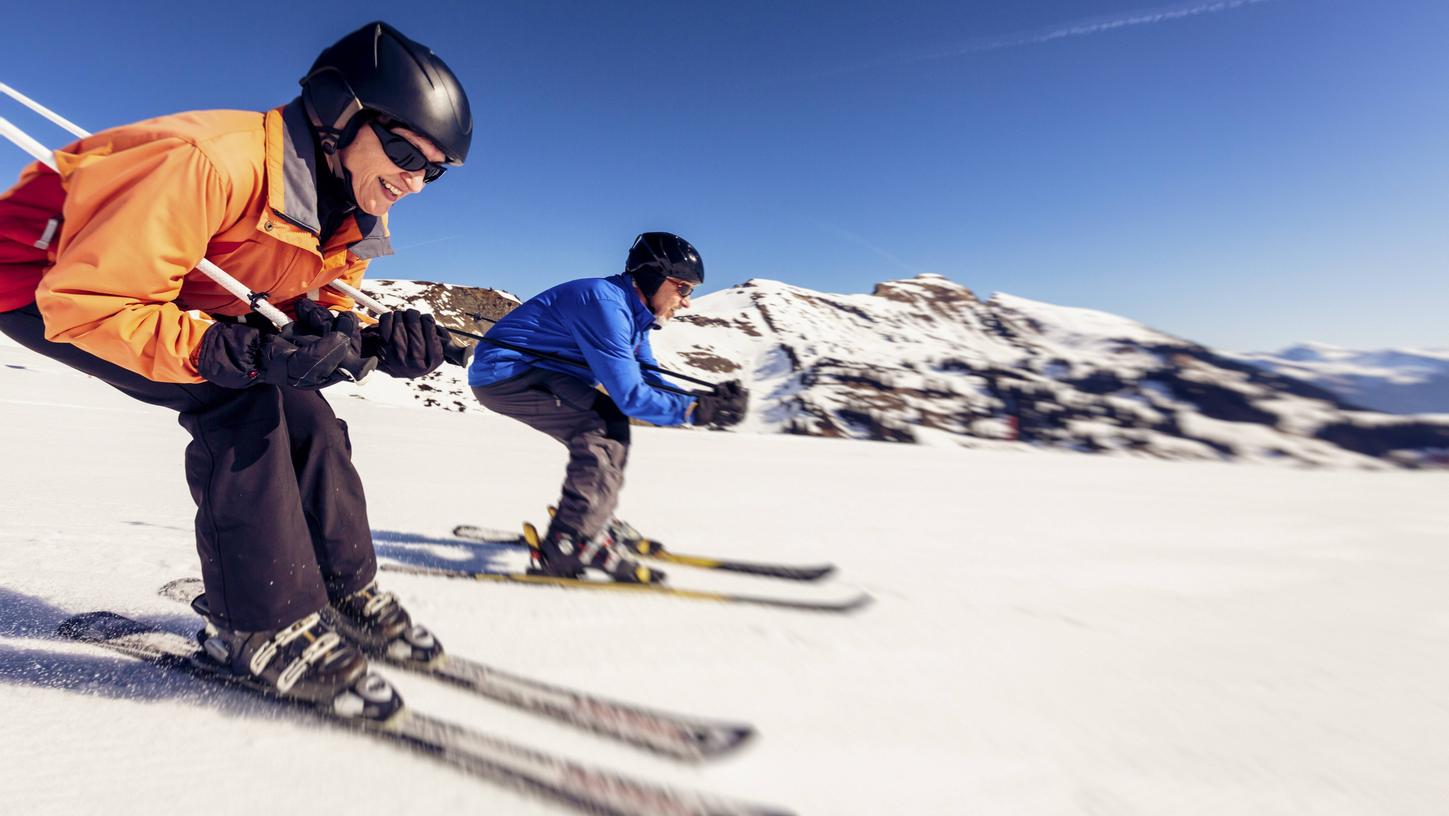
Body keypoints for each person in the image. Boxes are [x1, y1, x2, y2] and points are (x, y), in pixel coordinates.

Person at [0, 22, 470, 702]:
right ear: (338, 114)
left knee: (306, 412)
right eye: (404, 151)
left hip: (161, 292)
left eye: (435, 169)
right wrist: (240, 352)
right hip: (44, 282)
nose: (416, 181)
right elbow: (91, 302)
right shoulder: (210, 162)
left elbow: (309, 302)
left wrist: (367, 337)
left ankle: (344, 590)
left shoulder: (348, 206)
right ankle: (258, 625)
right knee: (238, 400)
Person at [468, 232, 749, 584]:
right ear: (653, 277)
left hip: (536, 374)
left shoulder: (633, 313)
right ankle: (570, 542)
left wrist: (703, 400)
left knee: (608, 425)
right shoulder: (606, 304)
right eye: (683, 288)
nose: (686, 301)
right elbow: (630, 396)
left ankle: (590, 522)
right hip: (507, 375)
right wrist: (694, 412)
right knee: (600, 425)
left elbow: (648, 377)